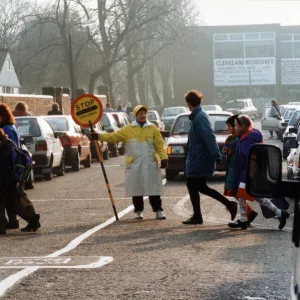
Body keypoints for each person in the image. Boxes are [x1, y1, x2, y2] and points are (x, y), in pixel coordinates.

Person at [92, 105, 168, 220]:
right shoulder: (128, 129)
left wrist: (164, 158)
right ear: (135, 115)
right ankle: (138, 211)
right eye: (140, 114)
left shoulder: (153, 128)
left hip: (150, 163)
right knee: (136, 189)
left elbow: (159, 144)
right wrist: (98, 136)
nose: (142, 115)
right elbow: (113, 137)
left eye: (144, 113)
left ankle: (158, 210)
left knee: (154, 189)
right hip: (134, 164)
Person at [182, 90, 238, 225]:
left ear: (189, 103)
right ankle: (201, 214)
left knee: (195, 184)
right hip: (197, 157)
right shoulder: (198, 116)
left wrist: (216, 156)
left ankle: (201, 214)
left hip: (200, 158)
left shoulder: (200, 117)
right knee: (198, 186)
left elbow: (209, 137)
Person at [229, 115, 290, 230]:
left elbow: (249, 160)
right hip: (247, 174)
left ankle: (243, 220)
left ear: (243, 126)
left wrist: (248, 177)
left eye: (237, 125)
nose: (235, 127)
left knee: (242, 196)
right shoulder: (245, 138)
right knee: (256, 197)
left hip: (247, 174)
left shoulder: (248, 140)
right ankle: (280, 214)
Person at [0, 128, 40, 234]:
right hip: (10, 180)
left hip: (7, 180)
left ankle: (32, 218)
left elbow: (5, 167)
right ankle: (32, 219)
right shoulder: (7, 145)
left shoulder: (6, 148)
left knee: (14, 202)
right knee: (15, 201)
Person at [222, 115, 258, 226]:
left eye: (231, 126)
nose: (229, 129)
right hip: (234, 169)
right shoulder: (233, 139)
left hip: (238, 170)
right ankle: (247, 215)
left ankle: (247, 215)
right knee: (236, 192)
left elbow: (240, 155)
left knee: (240, 193)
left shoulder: (241, 139)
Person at [0, 103, 21, 228]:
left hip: (9, 169)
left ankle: (29, 218)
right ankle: (12, 221)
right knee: (10, 198)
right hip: (11, 168)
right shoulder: (10, 128)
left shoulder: (7, 130)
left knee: (11, 197)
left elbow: (9, 151)